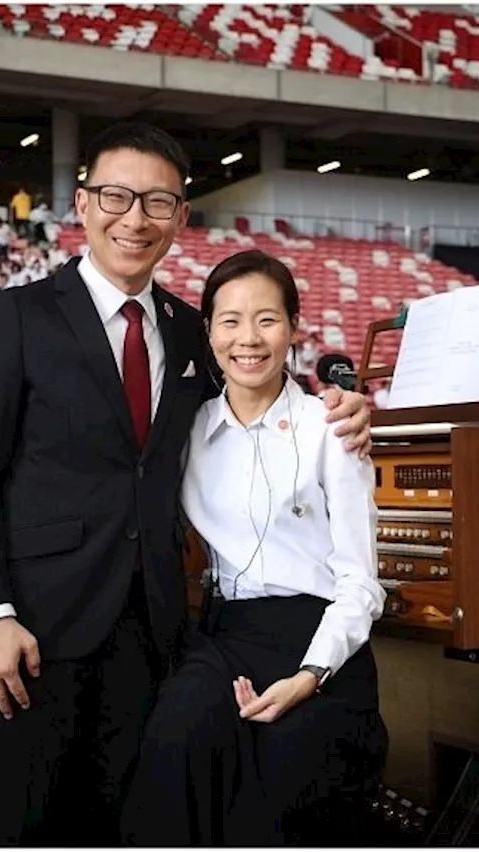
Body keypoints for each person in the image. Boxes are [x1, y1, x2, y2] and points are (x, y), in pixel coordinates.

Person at [0, 122, 373, 847]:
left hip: (156, 636)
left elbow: (256, 389)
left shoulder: (184, 326)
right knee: (32, 825)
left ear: (180, 217)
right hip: (38, 631)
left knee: (132, 825)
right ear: (82, 204)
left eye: (157, 202)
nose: (134, 218)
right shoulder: (20, 317)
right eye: (116, 196)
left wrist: (346, 402)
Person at [119, 250, 388, 845]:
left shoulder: (333, 427)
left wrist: (311, 673)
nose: (249, 339)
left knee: (290, 763)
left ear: (294, 328)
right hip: (228, 636)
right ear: (208, 331)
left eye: (267, 320)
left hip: (319, 640)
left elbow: (361, 584)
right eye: (230, 321)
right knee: (175, 736)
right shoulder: (187, 430)